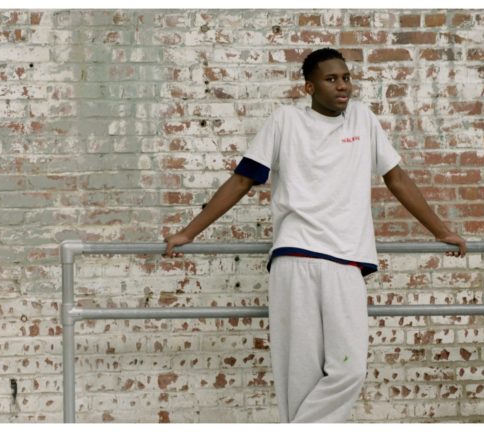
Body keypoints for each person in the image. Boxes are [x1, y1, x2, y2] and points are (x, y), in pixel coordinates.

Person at [162, 48, 467, 423]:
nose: (343, 86)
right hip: (295, 258)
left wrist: (443, 231)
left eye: (346, 78)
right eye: (331, 79)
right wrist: (188, 233)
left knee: (349, 369)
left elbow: (396, 178)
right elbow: (243, 179)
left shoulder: (363, 120)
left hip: (344, 261)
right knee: (299, 381)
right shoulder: (285, 120)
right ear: (309, 86)